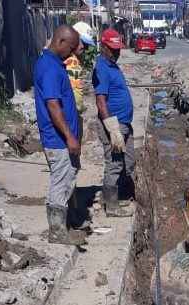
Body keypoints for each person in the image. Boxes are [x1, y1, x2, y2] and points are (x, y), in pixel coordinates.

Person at [33, 25, 87, 245]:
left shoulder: (54, 63)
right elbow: (53, 106)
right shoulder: (50, 68)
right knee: (60, 182)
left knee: (67, 179)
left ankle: (64, 226)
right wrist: (70, 137)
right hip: (58, 140)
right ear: (61, 42)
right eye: (72, 48)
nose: (73, 52)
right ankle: (56, 232)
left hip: (62, 138)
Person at [93, 28, 135, 217]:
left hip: (125, 123)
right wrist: (112, 129)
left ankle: (122, 195)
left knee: (129, 160)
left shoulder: (111, 64)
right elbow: (101, 101)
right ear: (103, 46)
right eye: (113, 49)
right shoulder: (101, 67)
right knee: (115, 163)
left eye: (118, 49)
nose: (117, 53)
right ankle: (111, 206)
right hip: (114, 125)